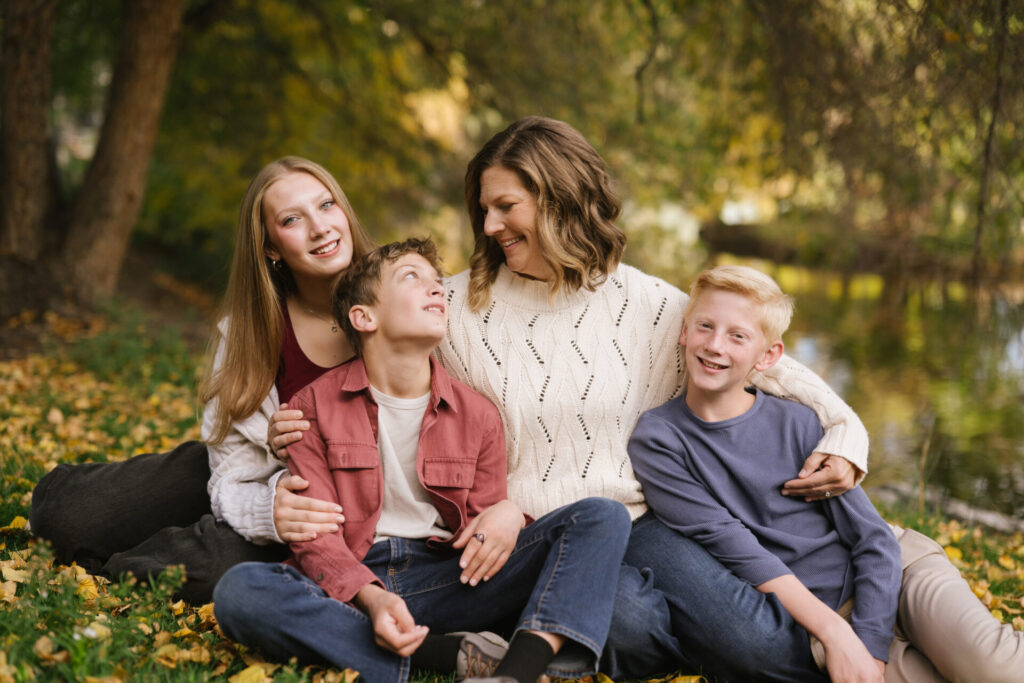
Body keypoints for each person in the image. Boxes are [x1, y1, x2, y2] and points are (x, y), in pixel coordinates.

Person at [434, 115, 878, 679]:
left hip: (643, 523)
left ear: (560, 201)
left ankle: (548, 641)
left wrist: (847, 438)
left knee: (763, 648)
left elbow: (774, 369)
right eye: (484, 209)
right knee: (632, 629)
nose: (490, 224)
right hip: (533, 531)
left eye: (506, 206)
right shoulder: (453, 309)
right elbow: (377, 370)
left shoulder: (642, 302)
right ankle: (549, 632)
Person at [213, 238, 632, 683]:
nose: (436, 289)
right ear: (363, 316)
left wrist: (508, 514)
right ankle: (446, 654)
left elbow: (482, 535)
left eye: (437, 282)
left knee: (602, 516)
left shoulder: (479, 415)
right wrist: (372, 600)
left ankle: (517, 672)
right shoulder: (311, 407)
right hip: (355, 582)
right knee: (241, 591)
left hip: (448, 579)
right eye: (412, 278)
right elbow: (317, 537)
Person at [629, 264, 1024, 683]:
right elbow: (734, 546)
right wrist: (841, 636)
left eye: (737, 335)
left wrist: (869, 642)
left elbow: (872, 538)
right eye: (705, 326)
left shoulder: (797, 422)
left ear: (768, 356)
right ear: (684, 332)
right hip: (822, 619)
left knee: (999, 670)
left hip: (900, 573)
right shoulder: (659, 440)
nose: (715, 345)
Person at [28, 156, 376, 603]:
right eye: (292, 219)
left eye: (327, 205)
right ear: (270, 247)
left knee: (217, 571)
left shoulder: (400, 304)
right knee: (64, 516)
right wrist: (270, 487)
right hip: (240, 480)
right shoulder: (249, 331)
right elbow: (230, 468)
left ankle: (124, 564)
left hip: (320, 515)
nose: (320, 227)